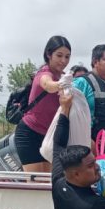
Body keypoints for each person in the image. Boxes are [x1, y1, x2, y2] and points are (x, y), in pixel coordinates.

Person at [15, 35, 72, 173]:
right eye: (59, 55)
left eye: (67, 56)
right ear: (48, 54)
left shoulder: (63, 77)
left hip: (50, 136)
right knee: (36, 180)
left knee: (50, 180)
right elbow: (48, 85)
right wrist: (60, 85)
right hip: (30, 133)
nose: (63, 60)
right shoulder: (44, 73)